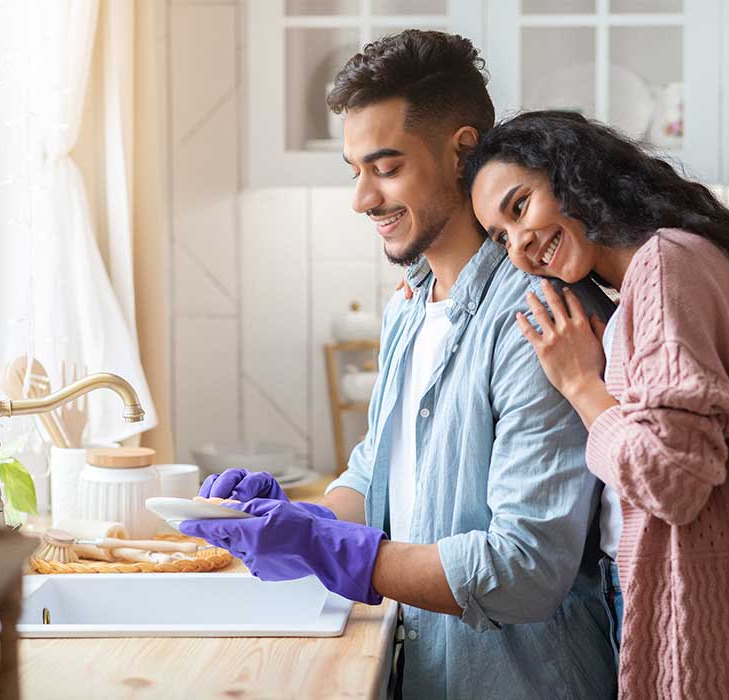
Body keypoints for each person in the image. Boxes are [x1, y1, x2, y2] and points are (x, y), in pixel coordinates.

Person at [180, 33, 616, 699]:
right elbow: (378, 474)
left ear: (462, 151)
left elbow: (526, 568)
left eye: (386, 168)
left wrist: (334, 551)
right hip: (431, 673)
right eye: (355, 170)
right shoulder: (412, 303)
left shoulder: (539, 317)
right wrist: (302, 522)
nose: (362, 198)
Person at [457, 110, 729, 699]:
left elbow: (673, 478)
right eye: (500, 237)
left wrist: (582, 385)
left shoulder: (663, 268)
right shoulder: (675, 261)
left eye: (520, 206)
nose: (520, 247)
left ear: (572, 173)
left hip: (713, 632)